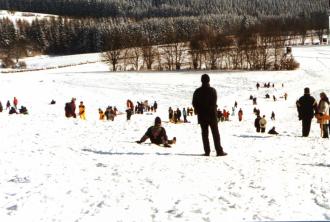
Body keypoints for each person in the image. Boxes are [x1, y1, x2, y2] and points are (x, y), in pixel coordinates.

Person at [192, 74, 227, 156]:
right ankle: (219, 151)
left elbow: (194, 103)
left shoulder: (197, 91)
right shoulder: (212, 90)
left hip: (202, 116)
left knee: (204, 134)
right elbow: (214, 102)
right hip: (212, 115)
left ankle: (207, 151)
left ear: (201, 81)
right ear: (209, 80)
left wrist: (199, 110)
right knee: (215, 134)